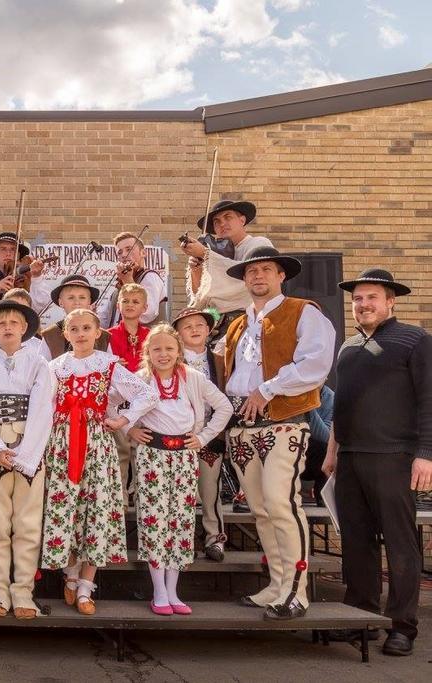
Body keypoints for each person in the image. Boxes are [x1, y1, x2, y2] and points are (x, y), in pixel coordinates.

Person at [322, 268, 432, 656]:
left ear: (390, 301)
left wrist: (426, 455)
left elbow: (428, 401)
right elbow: (341, 405)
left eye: (372, 297)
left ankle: (403, 626)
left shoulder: (415, 340)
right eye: (358, 299)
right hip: (350, 459)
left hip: (395, 457)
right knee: (356, 543)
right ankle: (360, 617)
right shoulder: (348, 348)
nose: (363, 304)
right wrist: (333, 450)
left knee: (401, 544)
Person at [223, 246, 335, 620]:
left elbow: (315, 364)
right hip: (242, 427)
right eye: (251, 272)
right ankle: (275, 583)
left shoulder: (303, 312)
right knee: (260, 510)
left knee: (281, 502)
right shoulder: (239, 324)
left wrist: (267, 389)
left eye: (265, 270)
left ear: (280, 275)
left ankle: (296, 591)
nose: (257, 276)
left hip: (282, 421)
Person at [41, 309, 156, 615]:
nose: (80, 334)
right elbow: (45, 406)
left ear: (97, 332)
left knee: (96, 509)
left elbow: (146, 394)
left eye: (86, 328)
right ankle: (70, 573)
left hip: (96, 444)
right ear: (66, 334)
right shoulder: (55, 367)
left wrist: (124, 419)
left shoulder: (108, 365)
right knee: (67, 508)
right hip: (63, 444)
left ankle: (85, 587)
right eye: (74, 329)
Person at [127, 324, 232, 615]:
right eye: (157, 348)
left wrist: (203, 436)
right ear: (148, 351)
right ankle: (158, 590)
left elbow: (224, 406)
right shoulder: (140, 380)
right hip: (153, 456)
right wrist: (131, 430)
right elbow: (110, 403)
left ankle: (173, 590)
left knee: (180, 522)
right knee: (154, 521)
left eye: (169, 348)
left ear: (178, 351)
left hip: (184, 455)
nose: (163, 354)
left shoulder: (193, 378)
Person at [0, 300, 54, 619]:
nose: (7, 326)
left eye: (14, 321)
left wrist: (26, 455)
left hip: (28, 451)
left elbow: (44, 408)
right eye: (0, 322)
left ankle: (24, 593)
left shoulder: (38, 363)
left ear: (24, 328)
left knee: (28, 525)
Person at [172, 307, 228, 561]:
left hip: (210, 434)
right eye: (187, 326)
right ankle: (183, 539)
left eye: (199, 325)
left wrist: (212, 433)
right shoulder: (172, 360)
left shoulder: (220, 361)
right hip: (177, 437)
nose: (194, 329)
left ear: (208, 330)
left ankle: (214, 538)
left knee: (209, 489)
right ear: (179, 333)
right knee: (180, 491)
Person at [183, 200, 273, 338]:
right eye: (216, 221)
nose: (222, 224)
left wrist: (205, 254)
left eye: (228, 217)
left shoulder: (258, 244)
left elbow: (244, 280)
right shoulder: (215, 254)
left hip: (248, 323)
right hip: (216, 326)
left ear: (242, 220)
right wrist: (197, 269)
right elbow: (201, 295)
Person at [107, 282, 151, 502]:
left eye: (136, 302)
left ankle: (143, 497)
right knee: (121, 450)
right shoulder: (107, 335)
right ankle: (120, 498)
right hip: (119, 402)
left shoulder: (150, 335)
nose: (130, 305)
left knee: (142, 451)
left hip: (144, 401)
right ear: (118, 305)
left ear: (145, 307)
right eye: (125, 301)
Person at [98, 232, 167, 328]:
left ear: (143, 253)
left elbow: (147, 314)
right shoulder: (119, 286)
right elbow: (105, 320)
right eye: (120, 252)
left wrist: (128, 281)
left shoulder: (150, 277)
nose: (124, 255)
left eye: (129, 249)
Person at [0, 231, 49, 311]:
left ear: (18, 255)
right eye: (3, 249)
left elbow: (42, 305)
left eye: (13, 249)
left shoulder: (29, 282)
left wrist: (36, 278)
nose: (8, 253)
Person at [40, 274, 111, 359]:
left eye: (82, 297)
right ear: (61, 302)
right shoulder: (50, 335)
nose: (77, 302)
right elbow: (42, 367)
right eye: (71, 298)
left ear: (90, 301)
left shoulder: (103, 336)